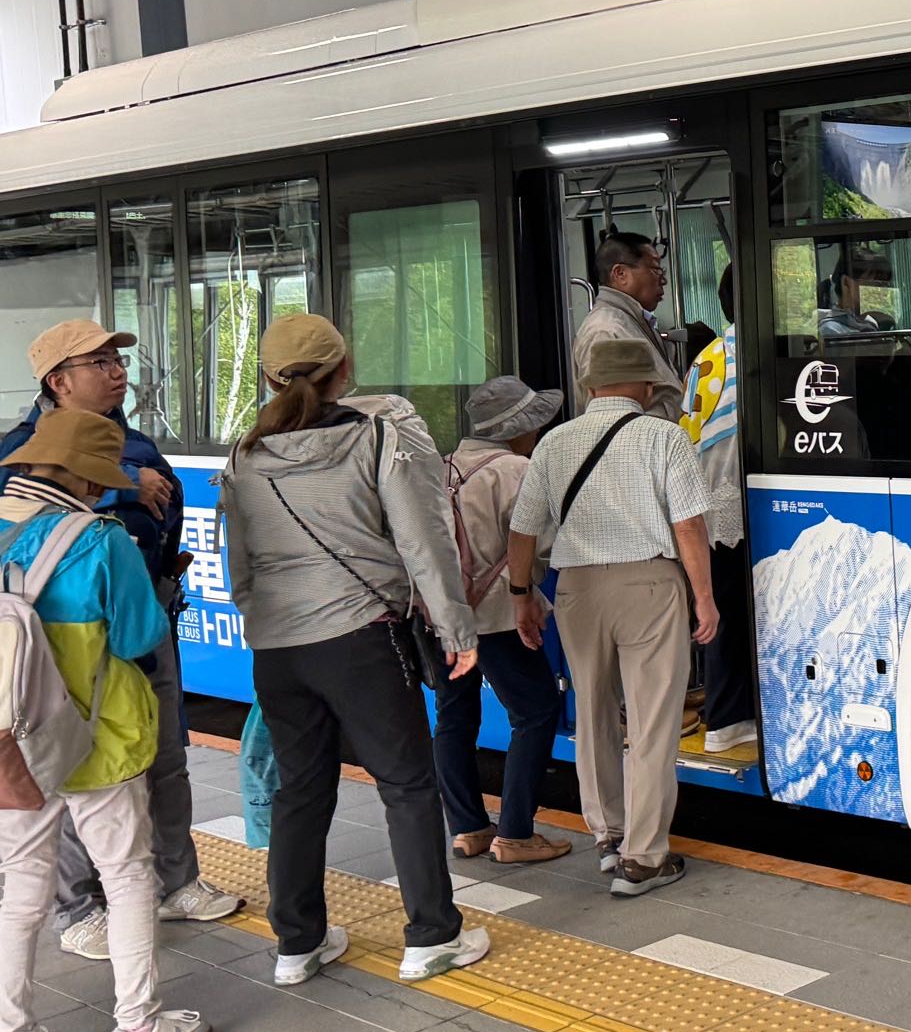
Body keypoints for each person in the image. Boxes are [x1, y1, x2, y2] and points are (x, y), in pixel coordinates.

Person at [219, 315, 489, 986]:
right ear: (345, 369)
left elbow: (238, 567)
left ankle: (297, 945)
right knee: (406, 784)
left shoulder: (245, 456)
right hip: (361, 637)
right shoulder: (375, 437)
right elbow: (423, 541)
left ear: (268, 379)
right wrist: (456, 630)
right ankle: (432, 936)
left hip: (279, 650)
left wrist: (269, 624)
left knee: (300, 790)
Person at [0, 319, 239, 961]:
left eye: (118, 360)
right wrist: (120, 483)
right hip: (58, 645)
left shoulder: (135, 440)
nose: (117, 372)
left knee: (164, 758)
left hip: (144, 621)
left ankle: (175, 882)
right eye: (100, 362)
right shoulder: (21, 449)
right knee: (66, 766)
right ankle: (80, 908)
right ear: (58, 382)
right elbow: (26, 516)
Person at [0, 410, 211, 1032]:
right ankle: (139, 1026)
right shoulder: (101, 540)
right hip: (97, 738)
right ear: (90, 478)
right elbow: (138, 637)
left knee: (21, 884)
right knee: (125, 875)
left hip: (15, 741)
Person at [506, 338, 718, 898]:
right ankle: (643, 858)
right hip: (649, 584)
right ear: (646, 386)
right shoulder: (664, 436)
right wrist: (704, 596)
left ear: (590, 387)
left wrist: (521, 595)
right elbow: (689, 525)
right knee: (651, 722)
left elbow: (523, 529)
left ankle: (610, 836)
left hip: (577, 589)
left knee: (594, 712)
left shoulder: (554, 442)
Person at [435, 376, 570, 864]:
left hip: (441, 616)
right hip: (496, 616)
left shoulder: (442, 466)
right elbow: (541, 543)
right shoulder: (516, 470)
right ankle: (514, 833)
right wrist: (526, 592)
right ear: (519, 428)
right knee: (535, 711)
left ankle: (468, 828)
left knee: (454, 716)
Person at [680, 273, 754, 754]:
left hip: (706, 499)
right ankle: (729, 720)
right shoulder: (751, 355)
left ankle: (728, 715)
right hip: (736, 502)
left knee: (725, 611)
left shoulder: (708, 357)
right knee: (733, 617)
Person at [570, 233, 686, 420]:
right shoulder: (606, 330)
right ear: (620, 274)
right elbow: (609, 419)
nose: (663, 280)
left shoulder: (633, 322)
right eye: (656, 270)